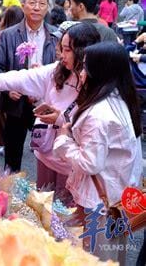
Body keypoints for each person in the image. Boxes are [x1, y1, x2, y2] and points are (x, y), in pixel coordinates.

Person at [0, 23, 101, 199]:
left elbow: (94, 128)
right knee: (44, 207)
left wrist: (60, 120)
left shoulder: (97, 82)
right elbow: (17, 78)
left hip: (72, 164)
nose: (61, 55)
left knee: (68, 216)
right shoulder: (56, 71)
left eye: (68, 50)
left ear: (83, 52)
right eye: (61, 48)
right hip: (46, 154)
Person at [53, 42, 143, 263]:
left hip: (101, 204)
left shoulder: (99, 113)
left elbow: (90, 163)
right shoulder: (119, 100)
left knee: (97, 257)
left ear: (99, 72)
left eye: (85, 68)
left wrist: (64, 140)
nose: (81, 74)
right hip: (116, 198)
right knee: (111, 255)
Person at [0, 0, 58, 173]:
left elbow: (64, 68)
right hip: (16, 103)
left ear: (47, 8)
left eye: (41, 4)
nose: (36, 7)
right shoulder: (9, 35)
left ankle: (47, 194)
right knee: (13, 155)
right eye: (32, 3)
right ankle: (10, 194)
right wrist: (7, 88)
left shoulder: (56, 35)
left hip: (46, 103)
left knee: (50, 156)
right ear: (23, 5)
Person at [0, 6, 24, 154]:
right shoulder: (24, 36)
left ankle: (6, 143)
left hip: (2, 82)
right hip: (22, 82)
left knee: (3, 115)